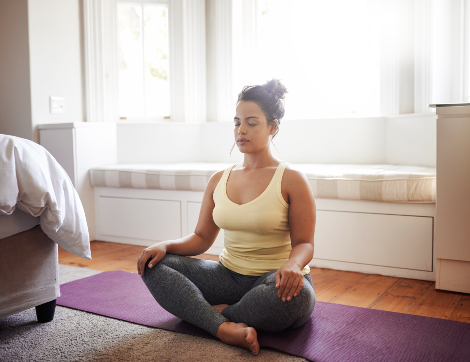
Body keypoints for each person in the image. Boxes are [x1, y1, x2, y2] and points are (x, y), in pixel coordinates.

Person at [137, 79, 316, 356]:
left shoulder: (292, 179)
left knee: (298, 297)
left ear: (273, 126)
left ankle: (212, 314)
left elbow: (305, 244)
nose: (241, 130)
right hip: (227, 277)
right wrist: (165, 246)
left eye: (252, 122)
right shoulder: (219, 179)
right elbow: (201, 239)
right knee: (152, 265)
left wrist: (293, 264)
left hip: (274, 281)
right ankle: (224, 327)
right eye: (236, 122)